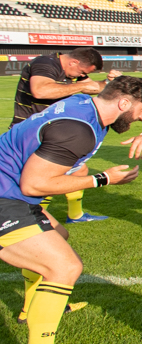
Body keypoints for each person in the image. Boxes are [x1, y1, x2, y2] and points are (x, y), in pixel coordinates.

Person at [4, 76, 142, 344]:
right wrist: (103, 179)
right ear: (123, 104)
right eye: (140, 110)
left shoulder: (88, 104)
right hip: (7, 197)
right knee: (64, 267)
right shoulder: (78, 130)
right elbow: (34, 184)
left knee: (58, 236)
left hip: (12, 194)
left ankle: (28, 308)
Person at [11, 47, 119, 224]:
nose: (81, 76)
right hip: (30, 133)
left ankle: (75, 216)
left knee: (78, 170)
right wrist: (82, 85)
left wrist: (109, 83)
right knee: (38, 180)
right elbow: (40, 90)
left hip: (51, 131)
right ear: (73, 62)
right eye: (82, 72)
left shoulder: (72, 72)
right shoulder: (45, 63)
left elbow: (92, 88)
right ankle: (30, 218)